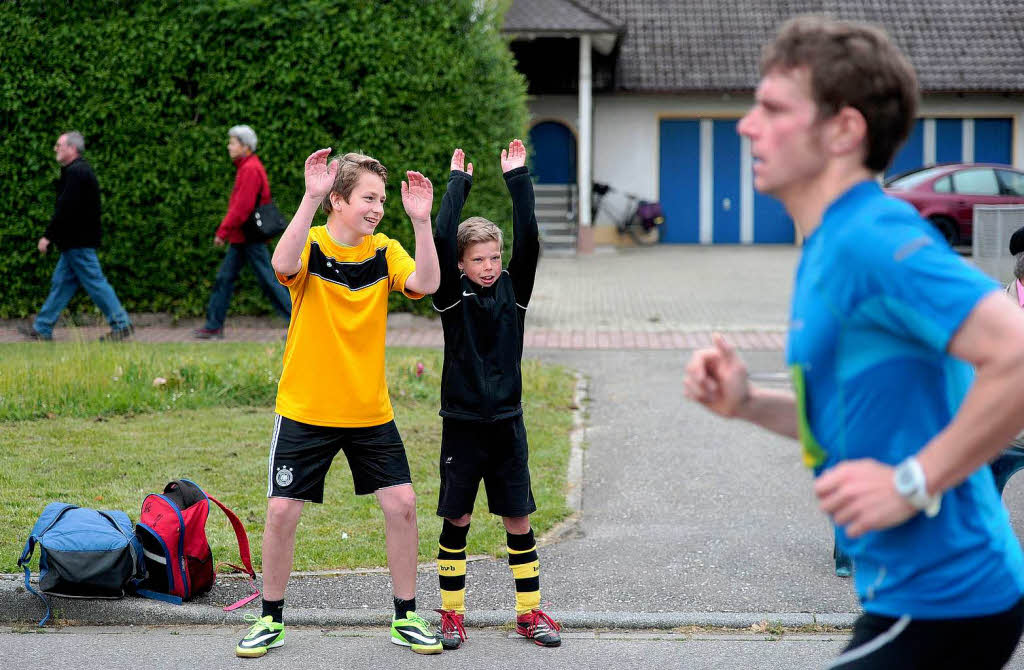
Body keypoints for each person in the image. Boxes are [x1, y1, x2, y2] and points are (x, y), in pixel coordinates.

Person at [683, 16, 1024, 670]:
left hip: (952, 597)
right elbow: (849, 416)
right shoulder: (828, 246)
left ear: (843, 130)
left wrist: (910, 483)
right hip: (901, 595)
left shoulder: (871, 240)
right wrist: (748, 401)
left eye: (773, 107)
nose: (745, 124)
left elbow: (1015, 352)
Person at [233, 148, 442, 658]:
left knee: (404, 505)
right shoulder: (312, 244)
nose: (378, 207)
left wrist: (422, 223)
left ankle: (406, 616)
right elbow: (281, 263)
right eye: (369, 198)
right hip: (305, 408)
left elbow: (427, 284)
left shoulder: (385, 249)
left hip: (369, 410)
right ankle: (271, 619)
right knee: (282, 511)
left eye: (383, 199)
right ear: (339, 199)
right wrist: (308, 198)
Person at [429, 140, 560, 650]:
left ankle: (528, 614)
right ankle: (451, 615)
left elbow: (530, 239)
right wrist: (456, 184)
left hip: (507, 422)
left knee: (518, 520)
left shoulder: (514, 290)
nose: (489, 265)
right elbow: (441, 236)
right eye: (478, 258)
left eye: (494, 256)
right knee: (456, 519)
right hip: (462, 422)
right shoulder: (448, 296)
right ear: (461, 264)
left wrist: (518, 178)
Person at [20, 131, 133, 342]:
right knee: (61, 283)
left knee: (95, 283)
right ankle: (42, 327)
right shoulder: (77, 171)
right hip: (75, 241)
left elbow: (65, 208)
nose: (55, 148)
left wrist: (48, 236)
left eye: (59, 145)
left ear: (72, 149)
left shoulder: (76, 173)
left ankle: (121, 323)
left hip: (78, 241)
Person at [193, 125, 291, 339]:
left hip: (249, 237)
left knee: (268, 280)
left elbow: (242, 208)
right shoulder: (247, 166)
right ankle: (214, 326)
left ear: (246, 147)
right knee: (225, 278)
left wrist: (222, 232)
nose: (229, 146)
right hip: (243, 237)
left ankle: (299, 323)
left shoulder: (249, 169)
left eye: (233, 143)